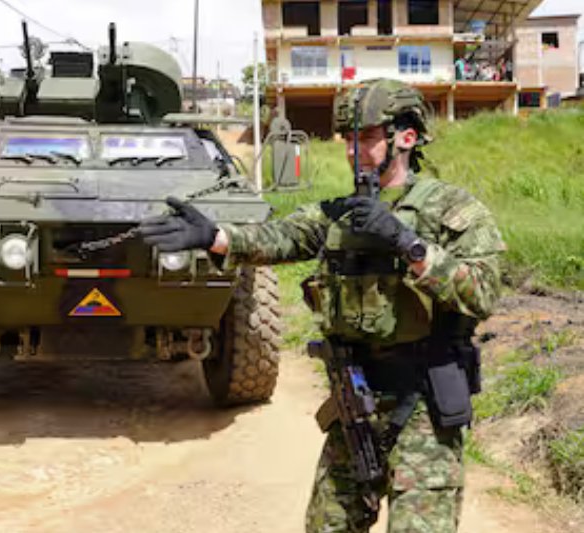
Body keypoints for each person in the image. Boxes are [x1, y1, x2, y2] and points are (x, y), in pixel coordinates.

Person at [139, 78, 505, 533]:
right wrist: (216, 237)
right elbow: (281, 237)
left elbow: (484, 293)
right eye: (348, 139)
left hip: (425, 409)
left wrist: (407, 243)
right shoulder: (339, 215)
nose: (354, 150)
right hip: (355, 405)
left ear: (405, 137)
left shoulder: (453, 210)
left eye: (367, 137)